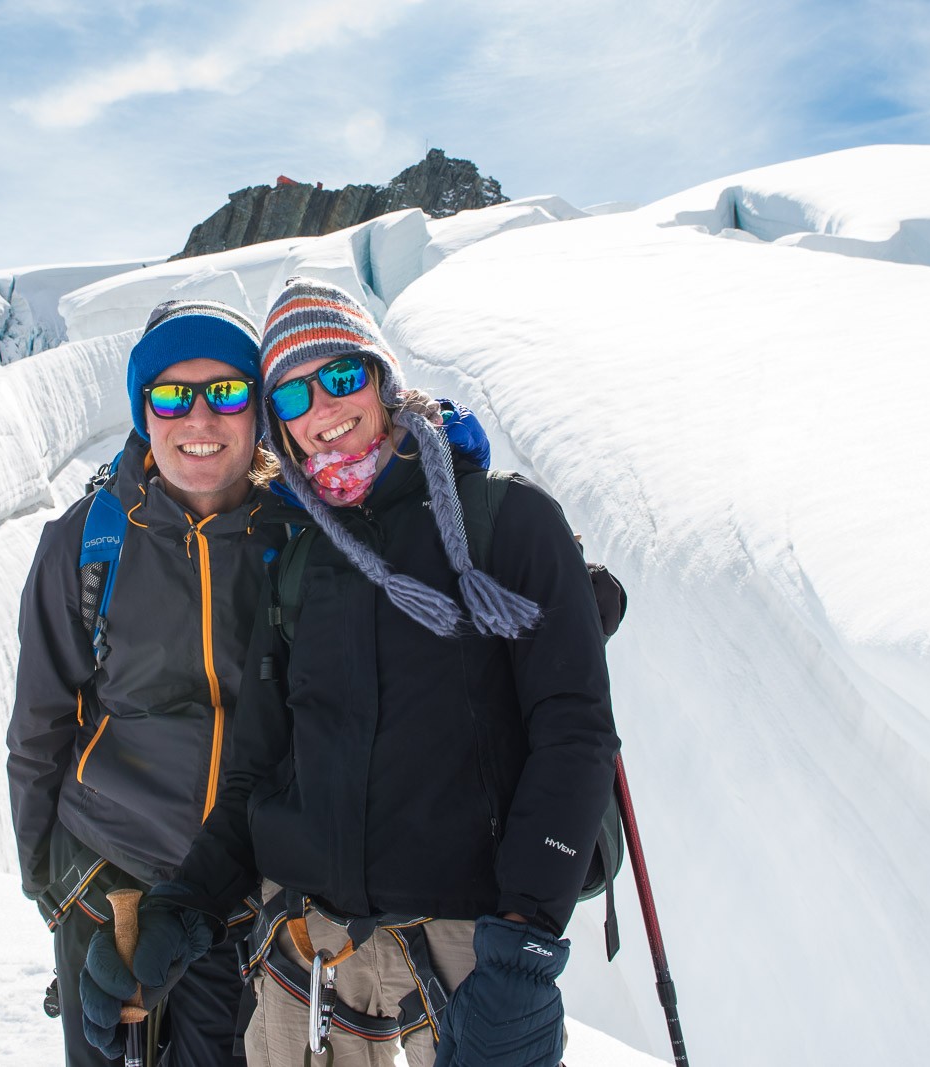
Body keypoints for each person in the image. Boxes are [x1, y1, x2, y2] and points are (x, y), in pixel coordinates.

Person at [79, 278, 619, 1067]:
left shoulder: (502, 521)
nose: (322, 408)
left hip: (471, 952)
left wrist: (527, 942)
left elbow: (574, 733)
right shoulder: (302, 561)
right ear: (279, 424)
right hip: (310, 957)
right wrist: (183, 906)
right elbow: (261, 773)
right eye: (293, 394)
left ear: (382, 377)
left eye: (340, 376)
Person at [8, 298, 291, 1066]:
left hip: (242, 897)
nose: (199, 417)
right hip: (111, 883)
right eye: (171, 394)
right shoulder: (86, 543)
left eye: (226, 391)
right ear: (144, 413)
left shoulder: (298, 537)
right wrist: (57, 894)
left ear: (260, 411)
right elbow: (39, 728)